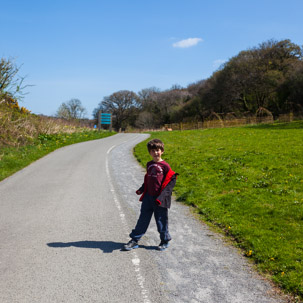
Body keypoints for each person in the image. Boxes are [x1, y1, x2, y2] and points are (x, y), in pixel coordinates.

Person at [123, 138, 178, 251]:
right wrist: (142, 189)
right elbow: (148, 180)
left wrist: (161, 198)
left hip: (159, 199)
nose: (155, 153)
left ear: (162, 151)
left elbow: (170, 184)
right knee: (143, 219)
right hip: (148, 197)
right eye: (152, 151)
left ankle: (164, 240)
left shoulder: (165, 166)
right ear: (149, 152)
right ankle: (134, 240)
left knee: (161, 220)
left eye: (157, 150)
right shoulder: (149, 164)